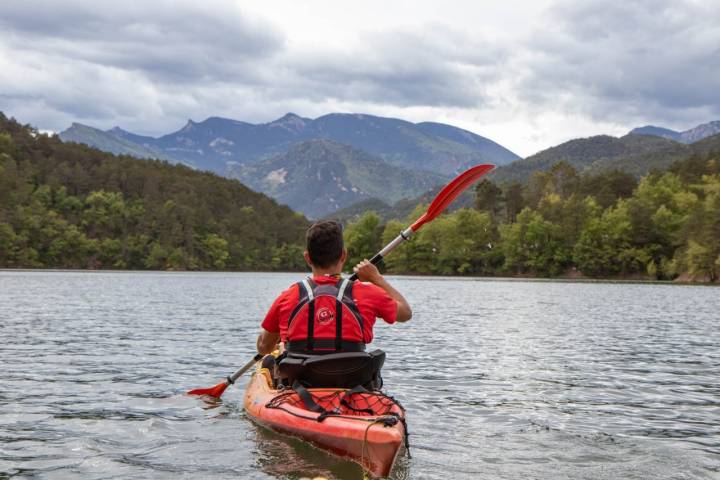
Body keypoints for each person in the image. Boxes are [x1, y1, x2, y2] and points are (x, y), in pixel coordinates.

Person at [256, 220, 411, 386]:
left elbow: (264, 347)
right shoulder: (369, 293)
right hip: (352, 383)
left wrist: (279, 335)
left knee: (269, 360)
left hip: (301, 386)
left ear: (307, 258)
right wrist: (376, 279)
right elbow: (405, 313)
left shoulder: (288, 297)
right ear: (343, 255)